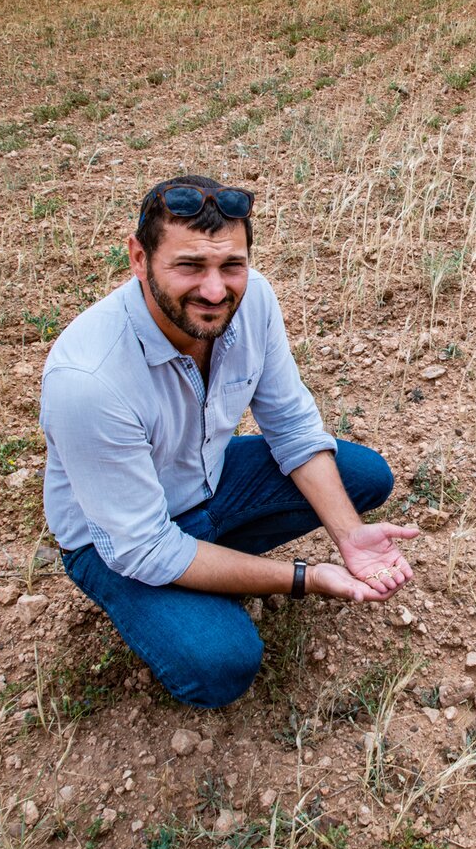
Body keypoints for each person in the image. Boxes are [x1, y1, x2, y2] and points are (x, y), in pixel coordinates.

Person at [39, 174, 419, 708]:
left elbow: (290, 424)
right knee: (221, 664)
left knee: (363, 478)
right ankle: (173, 593)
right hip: (117, 545)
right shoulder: (88, 379)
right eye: (189, 266)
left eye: (231, 266)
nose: (216, 291)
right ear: (138, 258)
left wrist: (350, 537)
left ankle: (206, 566)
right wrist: (305, 577)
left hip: (210, 485)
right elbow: (146, 546)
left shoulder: (254, 299)